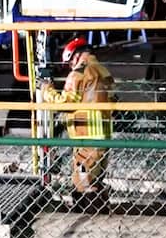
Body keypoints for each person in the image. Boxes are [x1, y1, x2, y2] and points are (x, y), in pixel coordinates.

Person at [41, 37, 115, 208]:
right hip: (104, 136)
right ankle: (100, 209)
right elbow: (112, 98)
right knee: (95, 179)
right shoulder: (103, 71)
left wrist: (46, 89)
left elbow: (66, 103)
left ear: (75, 56)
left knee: (83, 182)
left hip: (86, 136)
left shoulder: (78, 74)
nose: (69, 67)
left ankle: (90, 217)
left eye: (69, 63)